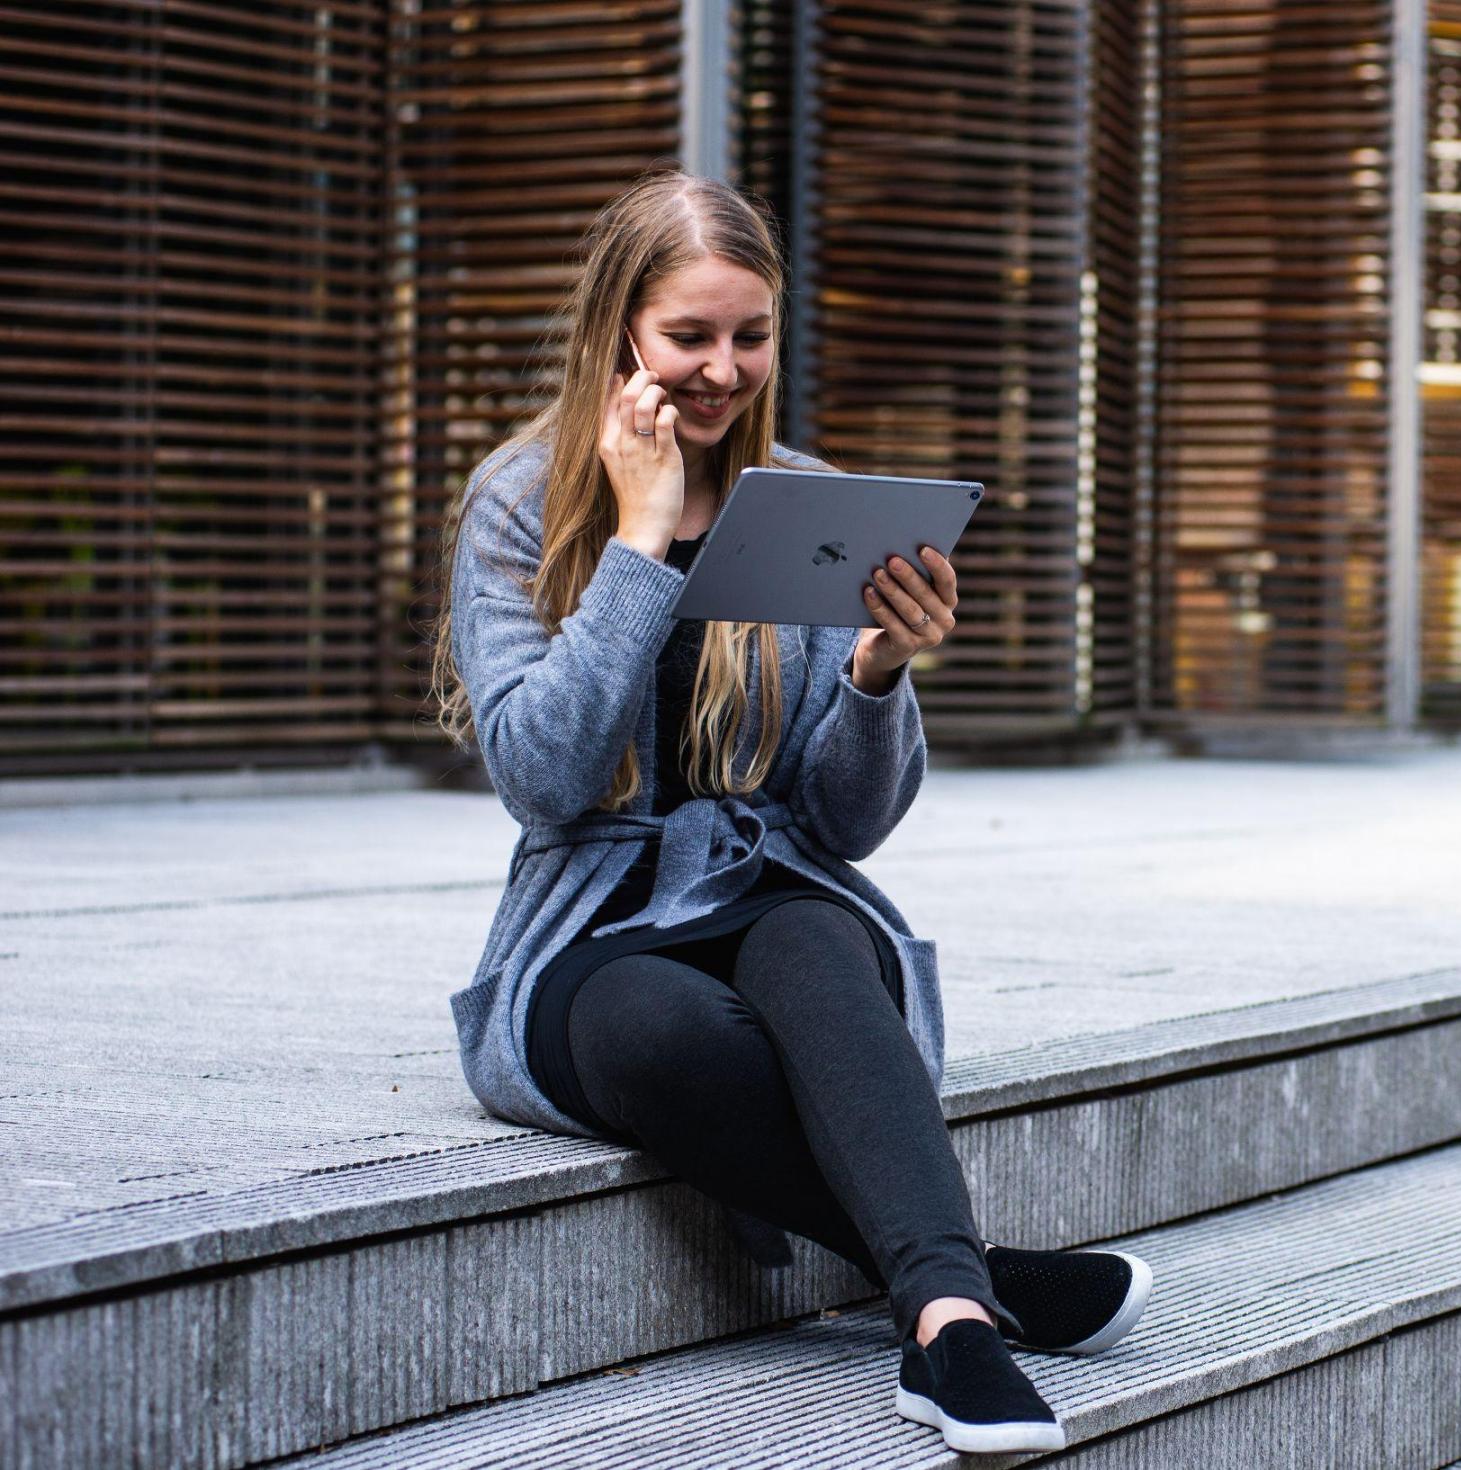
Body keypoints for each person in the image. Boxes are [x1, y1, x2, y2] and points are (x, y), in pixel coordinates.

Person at [427, 167, 1149, 1455]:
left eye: (748, 335)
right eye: (687, 336)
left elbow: (846, 826)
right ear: (621, 333)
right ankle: (972, 1283)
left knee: (818, 945)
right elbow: (539, 776)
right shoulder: (524, 498)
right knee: (663, 1030)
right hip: (591, 922)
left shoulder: (807, 499)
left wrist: (880, 674)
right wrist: (642, 547)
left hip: (775, 889)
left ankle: (946, 1335)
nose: (720, 369)